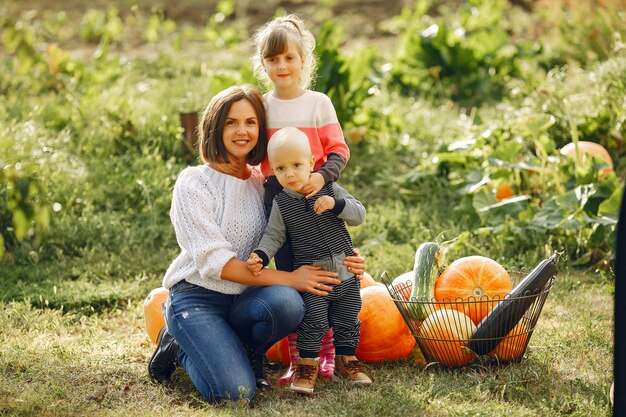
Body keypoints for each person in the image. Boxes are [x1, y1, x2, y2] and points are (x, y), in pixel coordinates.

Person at [147, 85, 366, 404]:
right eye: (231, 122)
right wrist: (292, 278)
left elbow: (302, 232)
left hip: (244, 300)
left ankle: (248, 348)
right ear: (214, 127)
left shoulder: (265, 185)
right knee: (235, 395)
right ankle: (178, 346)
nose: (242, 131)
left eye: (250, 122)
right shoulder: (193, 182)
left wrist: (346, 258)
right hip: (198, 297)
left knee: (289, 302)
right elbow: (217, 265)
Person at [251, 13, 350, 383]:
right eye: (273, 59)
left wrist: (321, 178)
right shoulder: (262, 106)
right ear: (263, 64)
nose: (282, 66)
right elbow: (256, 156)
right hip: (279, 205)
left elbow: (338, 151)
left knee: (323, 278)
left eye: (289, 58)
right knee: (292, 276)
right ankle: (298, 358)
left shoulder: (317, 103)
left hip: (317, 202)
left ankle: (323, 353)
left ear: (304, 60)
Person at [246, 127, 371, 394]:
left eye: (296, 165)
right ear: (273, 172)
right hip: (314, 275)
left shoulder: (330, 188)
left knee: (348, 318)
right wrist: (261, 255)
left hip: (346, 273)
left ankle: (347, 359)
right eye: (280, 169)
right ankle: (306, 365)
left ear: (312, 163)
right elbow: (274, 235)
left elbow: (359, 214)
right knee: (312, 320)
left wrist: (334, 204)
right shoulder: (282, 203)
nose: (289, 173)